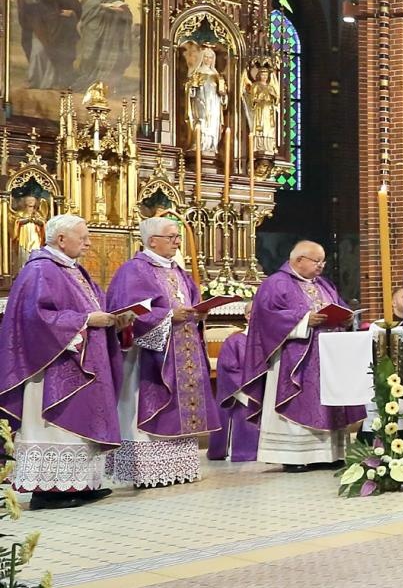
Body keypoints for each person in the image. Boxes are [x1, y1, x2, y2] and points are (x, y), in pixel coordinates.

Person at [0, 214, 130, 508]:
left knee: (80, 426)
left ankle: (80, 483)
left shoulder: (72, 270)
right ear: (61, 239)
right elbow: (36, 318)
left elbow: (95, 308)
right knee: (56, 429)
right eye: (82, 237)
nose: (88, 242)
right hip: (52, 367)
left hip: (82, 362)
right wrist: (86, 320)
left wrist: (114, 320)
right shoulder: (41, 270)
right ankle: (47, 492)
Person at [105, 216, 220, 487]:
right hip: (148, 358)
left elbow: (191, 302)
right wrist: (169, 315)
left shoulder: (178, 271)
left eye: (178, 236)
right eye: (172, 237)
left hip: (184, 347)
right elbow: (127, 312)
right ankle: (144, 471)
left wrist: (199, 313)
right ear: (152, 240)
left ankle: (179, 467)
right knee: (145, 405)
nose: (178, 242)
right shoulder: (133, 271)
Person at [239, 240, 364, 470]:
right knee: (297, 401)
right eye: (317, 261)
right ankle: (294, 457)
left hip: (327, 356)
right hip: (293, 358)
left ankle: (329, 454)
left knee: (327, 403)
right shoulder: (275, 283)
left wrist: (346, 318)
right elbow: (266, 318)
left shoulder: (325, 285)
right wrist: (306, 319)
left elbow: (340, 307)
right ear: (298, 260)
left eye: (323, 261)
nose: (321, 266)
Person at [67, 0, 136, 94]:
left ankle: (96, 83)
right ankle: (85, 79)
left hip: (105, 32)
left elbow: (125, 11)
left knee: (98, 56)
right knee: (87, 56)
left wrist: (117, 10)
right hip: (88, 30)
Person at [17, 0, 81, 89]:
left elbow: (74, 4)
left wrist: (72, 13)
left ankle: (51, 83)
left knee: (57, 52)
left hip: (59, 24)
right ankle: (35, 81)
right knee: (39, 51)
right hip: (39, 23)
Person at [208, 315, 259, 463]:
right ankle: (241, 450)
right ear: (248, 316)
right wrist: (249, 393)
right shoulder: (235, 341)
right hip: (242, 393)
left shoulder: (270, 341)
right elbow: (228, 370)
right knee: (244, 410)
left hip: (266, 392)